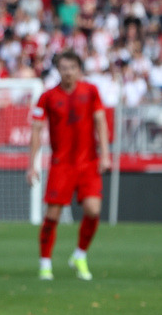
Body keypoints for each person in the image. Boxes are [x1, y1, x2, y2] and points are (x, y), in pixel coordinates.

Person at [27, 49, 110, 280]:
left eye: (72, 68)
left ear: (79, 69)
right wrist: (31, 164)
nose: (68, 72)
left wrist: (105, 154)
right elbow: (36, 131)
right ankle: (45, 264)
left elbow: (100, 122)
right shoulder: (48, 96)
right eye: (64, 68)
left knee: (93, 210)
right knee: (52, 215)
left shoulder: (91, 91)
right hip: (61, 165)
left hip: (88, 163)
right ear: (58, 70)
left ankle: (80, 255)